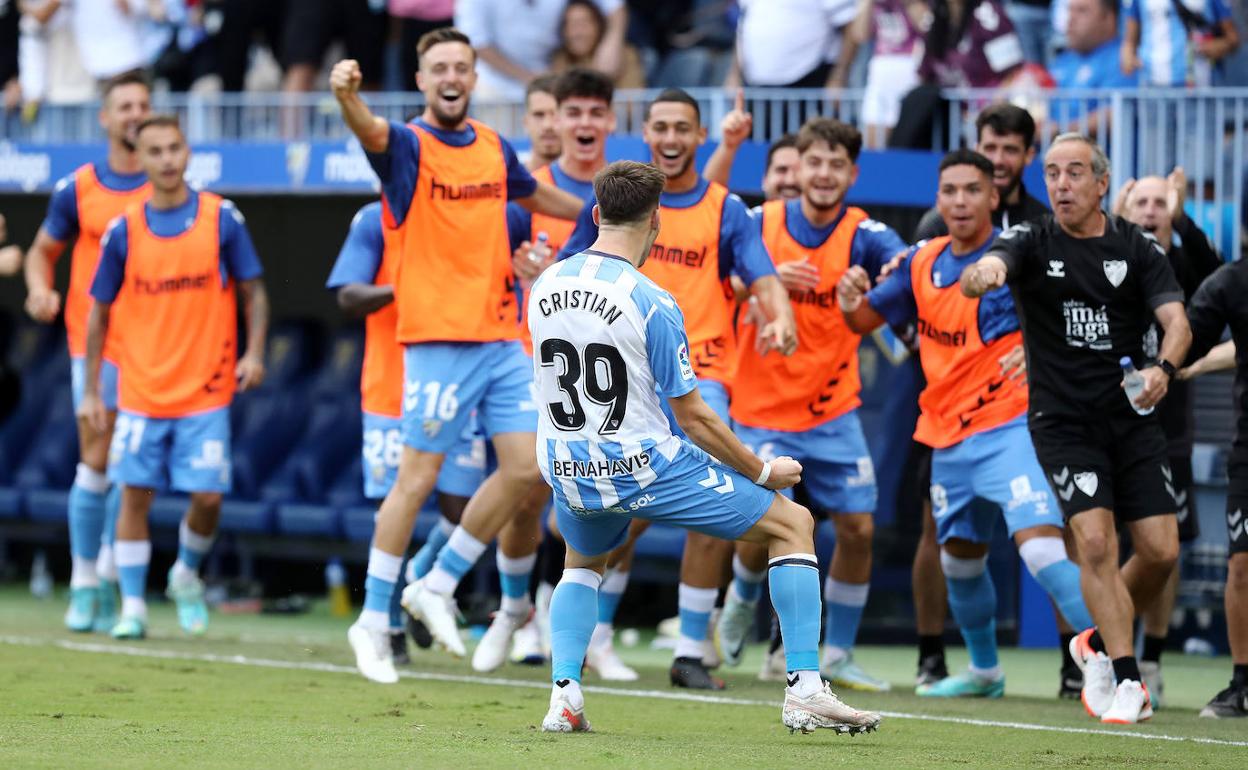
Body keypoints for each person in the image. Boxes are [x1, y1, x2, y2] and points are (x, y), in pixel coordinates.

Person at [533, 159, 881, 737]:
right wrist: (762, 469)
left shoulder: (546, 284)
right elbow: (694, 415)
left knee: (583, 563)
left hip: (569, 467)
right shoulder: (653, 301)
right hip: (643, 464)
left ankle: (563, 696)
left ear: (596, 214)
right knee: (793, 523)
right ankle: (805, 690)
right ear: (656, 222)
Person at [329, 27, 584, 683]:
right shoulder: (410, 145)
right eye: (438, 66)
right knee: (414, 484)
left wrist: (603, 216)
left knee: (529, 470)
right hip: (438, 341)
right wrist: (346, 95)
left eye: (462, 66)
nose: (451, 75)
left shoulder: (496, 147)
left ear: (473, 79)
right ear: (421, 81)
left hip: (500, 335)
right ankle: (373, 617)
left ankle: (437, 583)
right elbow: (369, 133)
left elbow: (537, 195)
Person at [557, 87, 797, 691]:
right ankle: (599, 635)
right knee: (624, 508)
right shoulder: (625, 210)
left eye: (682, 128)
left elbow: (762, 277)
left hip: (702, 373)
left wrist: (780, 314)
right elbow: (568, 270)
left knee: (709, 510)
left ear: (699, 135)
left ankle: (690, 646)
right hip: (628, 377)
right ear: (647, 133)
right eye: (661, 126)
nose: (670, 137)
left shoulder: (726, 208)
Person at [840, 149, 1093, 698]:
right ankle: (985, 672)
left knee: (1043, 550)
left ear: (993, 197)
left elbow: (1079, 311)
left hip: (1011, 428)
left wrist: (1037, 347)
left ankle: (1111, 667)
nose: (960, 200)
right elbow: (863, 319)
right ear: (938, 199)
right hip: (946, 436)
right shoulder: (919, 261)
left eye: (972, 190)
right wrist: (847, 299)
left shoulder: (1021, 254)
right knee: (959, 562)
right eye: (950, 190)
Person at [960, 133, 1191, 724]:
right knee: (1094, 544)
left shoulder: (1135, 247)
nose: (1060, 184)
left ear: (1102, 183)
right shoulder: (1033, 238)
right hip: (1063, 422)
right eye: (1053, 173)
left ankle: (1091, 640)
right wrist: (982, 275)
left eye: (1074, 173)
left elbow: (1177, 323)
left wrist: (1163, 369)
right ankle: (1126, 676)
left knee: (1162, 553)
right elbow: (993, 262)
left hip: (1134, 419)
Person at [716, 118, 907, 694]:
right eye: (814, 162)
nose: (824, 174)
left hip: (831, 410)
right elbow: (714, 279)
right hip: (761, 406)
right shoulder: (758, 222)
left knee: (859, 528)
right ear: (796, 167)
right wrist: (763, 284)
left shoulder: (863, 234)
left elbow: (907, 266)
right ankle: (741, 598)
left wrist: (867, 294)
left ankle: (840, 650)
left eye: (836, 164)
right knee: (770, 523)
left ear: (852, 173)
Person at [80, 114, 268, 640]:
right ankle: (133, 607)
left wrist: (253, 352)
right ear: (139, 160)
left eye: (174, 148)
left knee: (207, 498)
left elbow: (254, 290)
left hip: (206, 391)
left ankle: (185, 573)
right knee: (133, 494)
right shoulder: (124, 230)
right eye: (155, 151)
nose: (166, 159)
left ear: (188, 153)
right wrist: (94, 388)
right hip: (140, 390)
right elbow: (98, 312)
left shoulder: (222, 219)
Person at [468, 68, 618, 676]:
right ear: (552, 121)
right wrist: (523, 276)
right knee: (528, 494)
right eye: (571, 112)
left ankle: (595, 635)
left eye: (594, 112)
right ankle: (514, 614)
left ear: (610, 122)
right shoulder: (526, 196)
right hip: (535, 362)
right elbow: (491, 277)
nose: (583, 123)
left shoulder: (623, 192)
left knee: (611, 497)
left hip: (608, 369)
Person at [325, 200, 489, 663]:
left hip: (457, 384)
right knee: (391, 510)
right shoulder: (372, 220)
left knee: (464, 510)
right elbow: (348, 297)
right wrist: (404, 287)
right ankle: (390, 626)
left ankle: (420, 571)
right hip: (390, 390)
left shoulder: (468, 215)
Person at [23, 71, 151, 635]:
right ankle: (82, 584)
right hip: (95, 348)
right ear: (104, 118)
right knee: (96, 464)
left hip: (155, 351)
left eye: (143, 105)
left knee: (133, 471)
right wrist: (38, 287)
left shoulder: (168, 187)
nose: (135, 114)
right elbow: (40, 251)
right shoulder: (78, 187)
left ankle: (108, 578)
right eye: (124, 106)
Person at [1112, 170, 1223, 706]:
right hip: (1102, 427)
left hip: (1169, 428)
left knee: (1164, 551)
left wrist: (1185, 220)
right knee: (1097, 543)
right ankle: (1100, 655)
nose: (1152, 210)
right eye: (1142, 202)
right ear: (1122, 208)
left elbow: (1221, 278)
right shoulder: (1102, 260)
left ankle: (1150, 657)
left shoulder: (1182, 264)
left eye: (1162, 202)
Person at [1184, 266, 1248, 719]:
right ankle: (1242, 684)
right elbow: (1195, 336)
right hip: (1247, 448)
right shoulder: (1233, 281)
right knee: (1241, 564)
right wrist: (1188, 363)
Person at [915, 104, 1048, 241]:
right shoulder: (942, 223)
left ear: (1029, 155)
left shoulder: (1043, 225)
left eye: (1010, 150)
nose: (998, 160)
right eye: (990, 148)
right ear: (977, 149)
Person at [454, 0, 628, 99]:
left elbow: (614, 6)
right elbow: (475, 40)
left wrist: (611, 43)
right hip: (496, 83)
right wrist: (527, 77)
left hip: (556, 75)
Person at [1048, 0, 1139, 134]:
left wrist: (1059, 132)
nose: (1071, 19)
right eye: (1069, 10)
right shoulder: (1063, 60)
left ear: (1109, 18)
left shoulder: (1123, 59)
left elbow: (1116, 113)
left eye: (1082, 11)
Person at [1121, 0, 1239, 87]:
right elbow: (1129, 40)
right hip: (1153, 84)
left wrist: (1220, 45)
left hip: (1198, 84)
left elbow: (1233, 38)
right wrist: (1128, 57)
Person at [917, 0, 1026, 88]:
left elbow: (1012, 73)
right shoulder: (933, 17)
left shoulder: (988, 14)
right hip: (947, 109)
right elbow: (924, 75)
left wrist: (991, 110)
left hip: (985, 106)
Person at [550, 0, 645, 87]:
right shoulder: (560, 59)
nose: (577, 33)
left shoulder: (626, 55)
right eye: (571, 25)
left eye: (583, 24)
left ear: (598, 26)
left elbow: (633, 100)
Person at [521, 75, 563, 171]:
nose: (548, 125)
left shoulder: (599, 183)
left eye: (556, 115)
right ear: (525, 122)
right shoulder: (508, 182)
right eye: (539, 115)